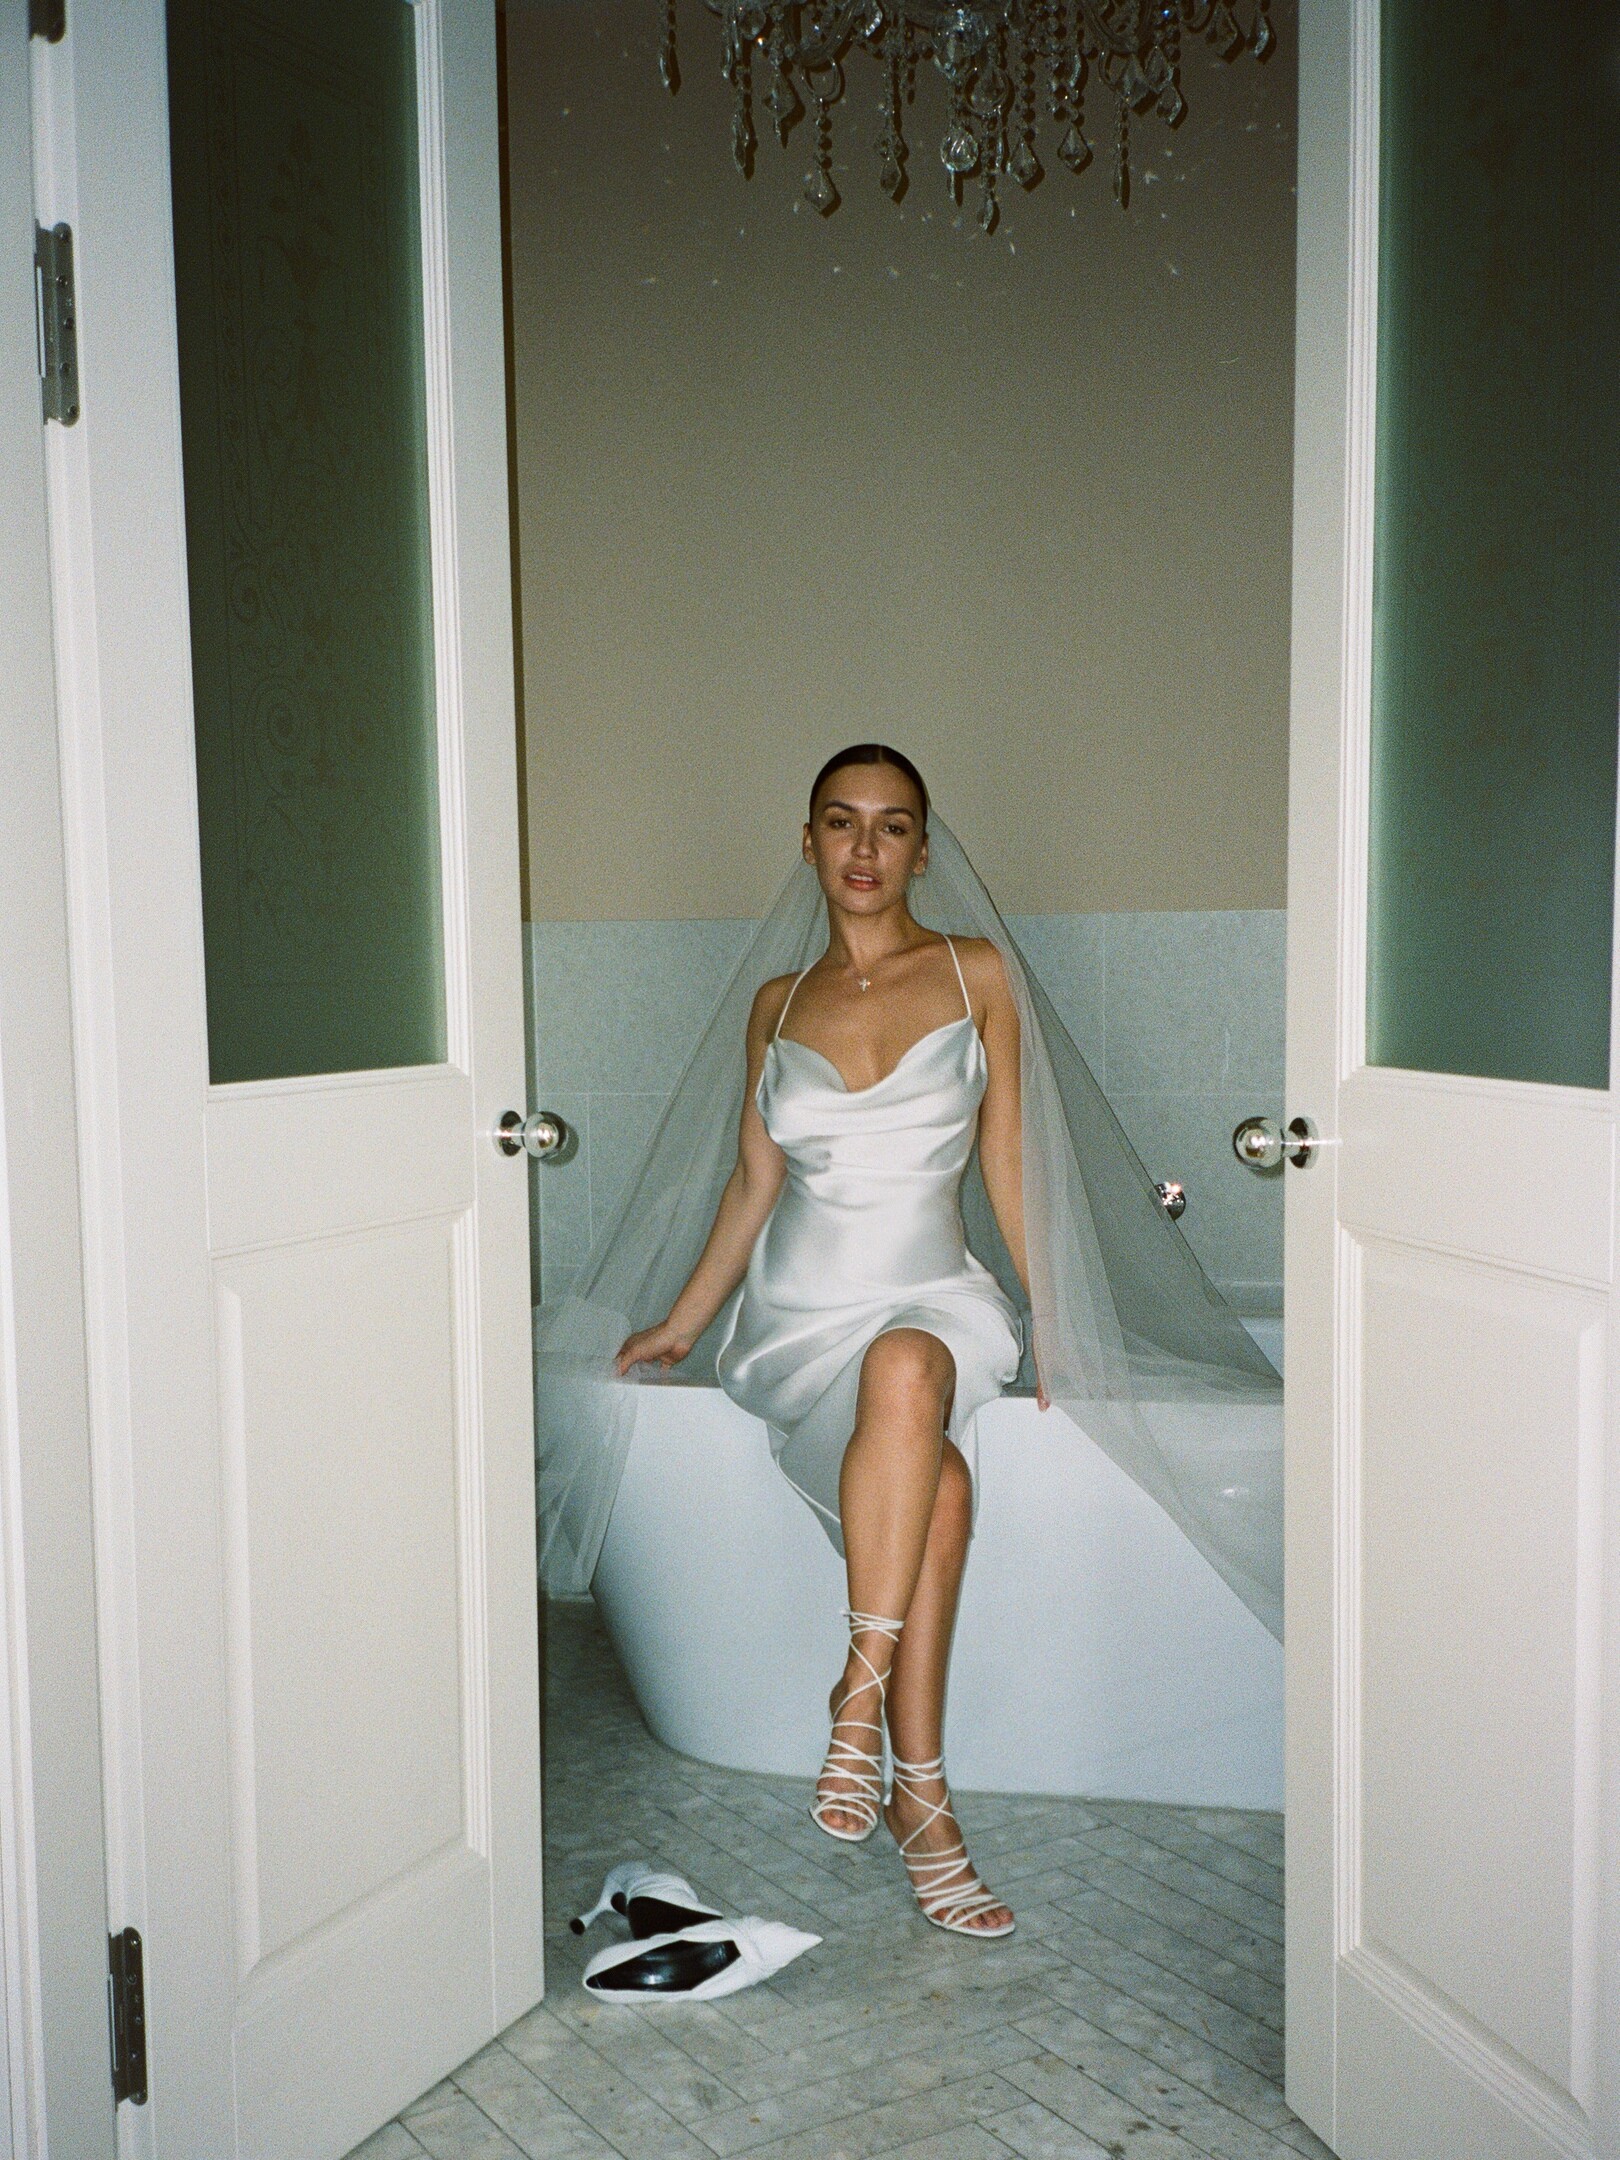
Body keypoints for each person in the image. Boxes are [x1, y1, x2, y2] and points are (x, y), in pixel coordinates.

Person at [614, 744, 1032, 1938]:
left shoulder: (976, 972)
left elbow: (1008, 1162)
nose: (865, 847)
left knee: (907, 1362)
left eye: (893, 826)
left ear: (923, 850)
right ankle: (922, 1802)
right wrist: (684, 1323)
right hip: (801, 1318)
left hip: (932, 1297)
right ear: (808, 842)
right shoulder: (775, 1005)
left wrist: (1054, 1315)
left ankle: (858, 1694)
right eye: (842, 822)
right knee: (943, 1490)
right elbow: (754, 1184)